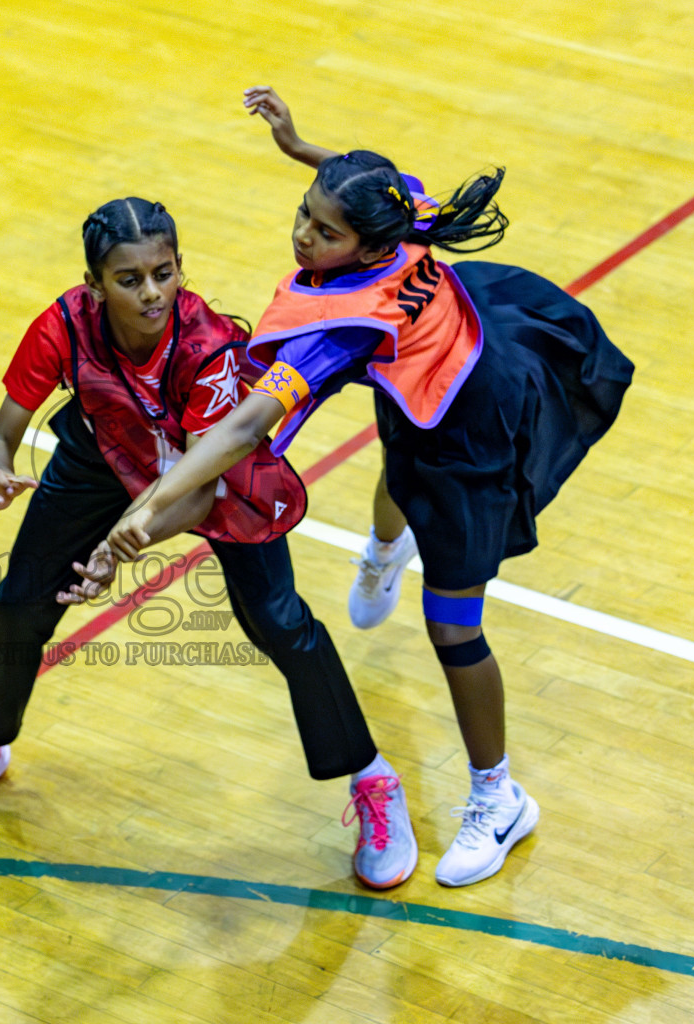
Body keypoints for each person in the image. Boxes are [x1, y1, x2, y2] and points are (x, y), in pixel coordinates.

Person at [99, 90, 635, 887]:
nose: (304, 235)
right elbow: (377, 185)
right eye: (305, 215)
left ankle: (501, 797)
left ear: (365, 244)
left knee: (453, 627)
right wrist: (302, 147)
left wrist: (147, 506)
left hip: (475, 428)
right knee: (398, 439)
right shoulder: (394, 213)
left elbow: (244, 429)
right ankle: (387, 546)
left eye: (326, 231)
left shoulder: (344, 326)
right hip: (434, 369)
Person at [0, 197, 421, 891]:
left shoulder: (210, 350)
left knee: (281, 624)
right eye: (129, 279)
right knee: (20, 604)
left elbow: (195, 494)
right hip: (102, 452)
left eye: (164, 273)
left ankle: (373, 781)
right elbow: (2, 438)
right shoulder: (64, 326)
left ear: (180, 269)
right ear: (94, 285)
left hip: (205, 470)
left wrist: (120, 548)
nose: (151, 293)